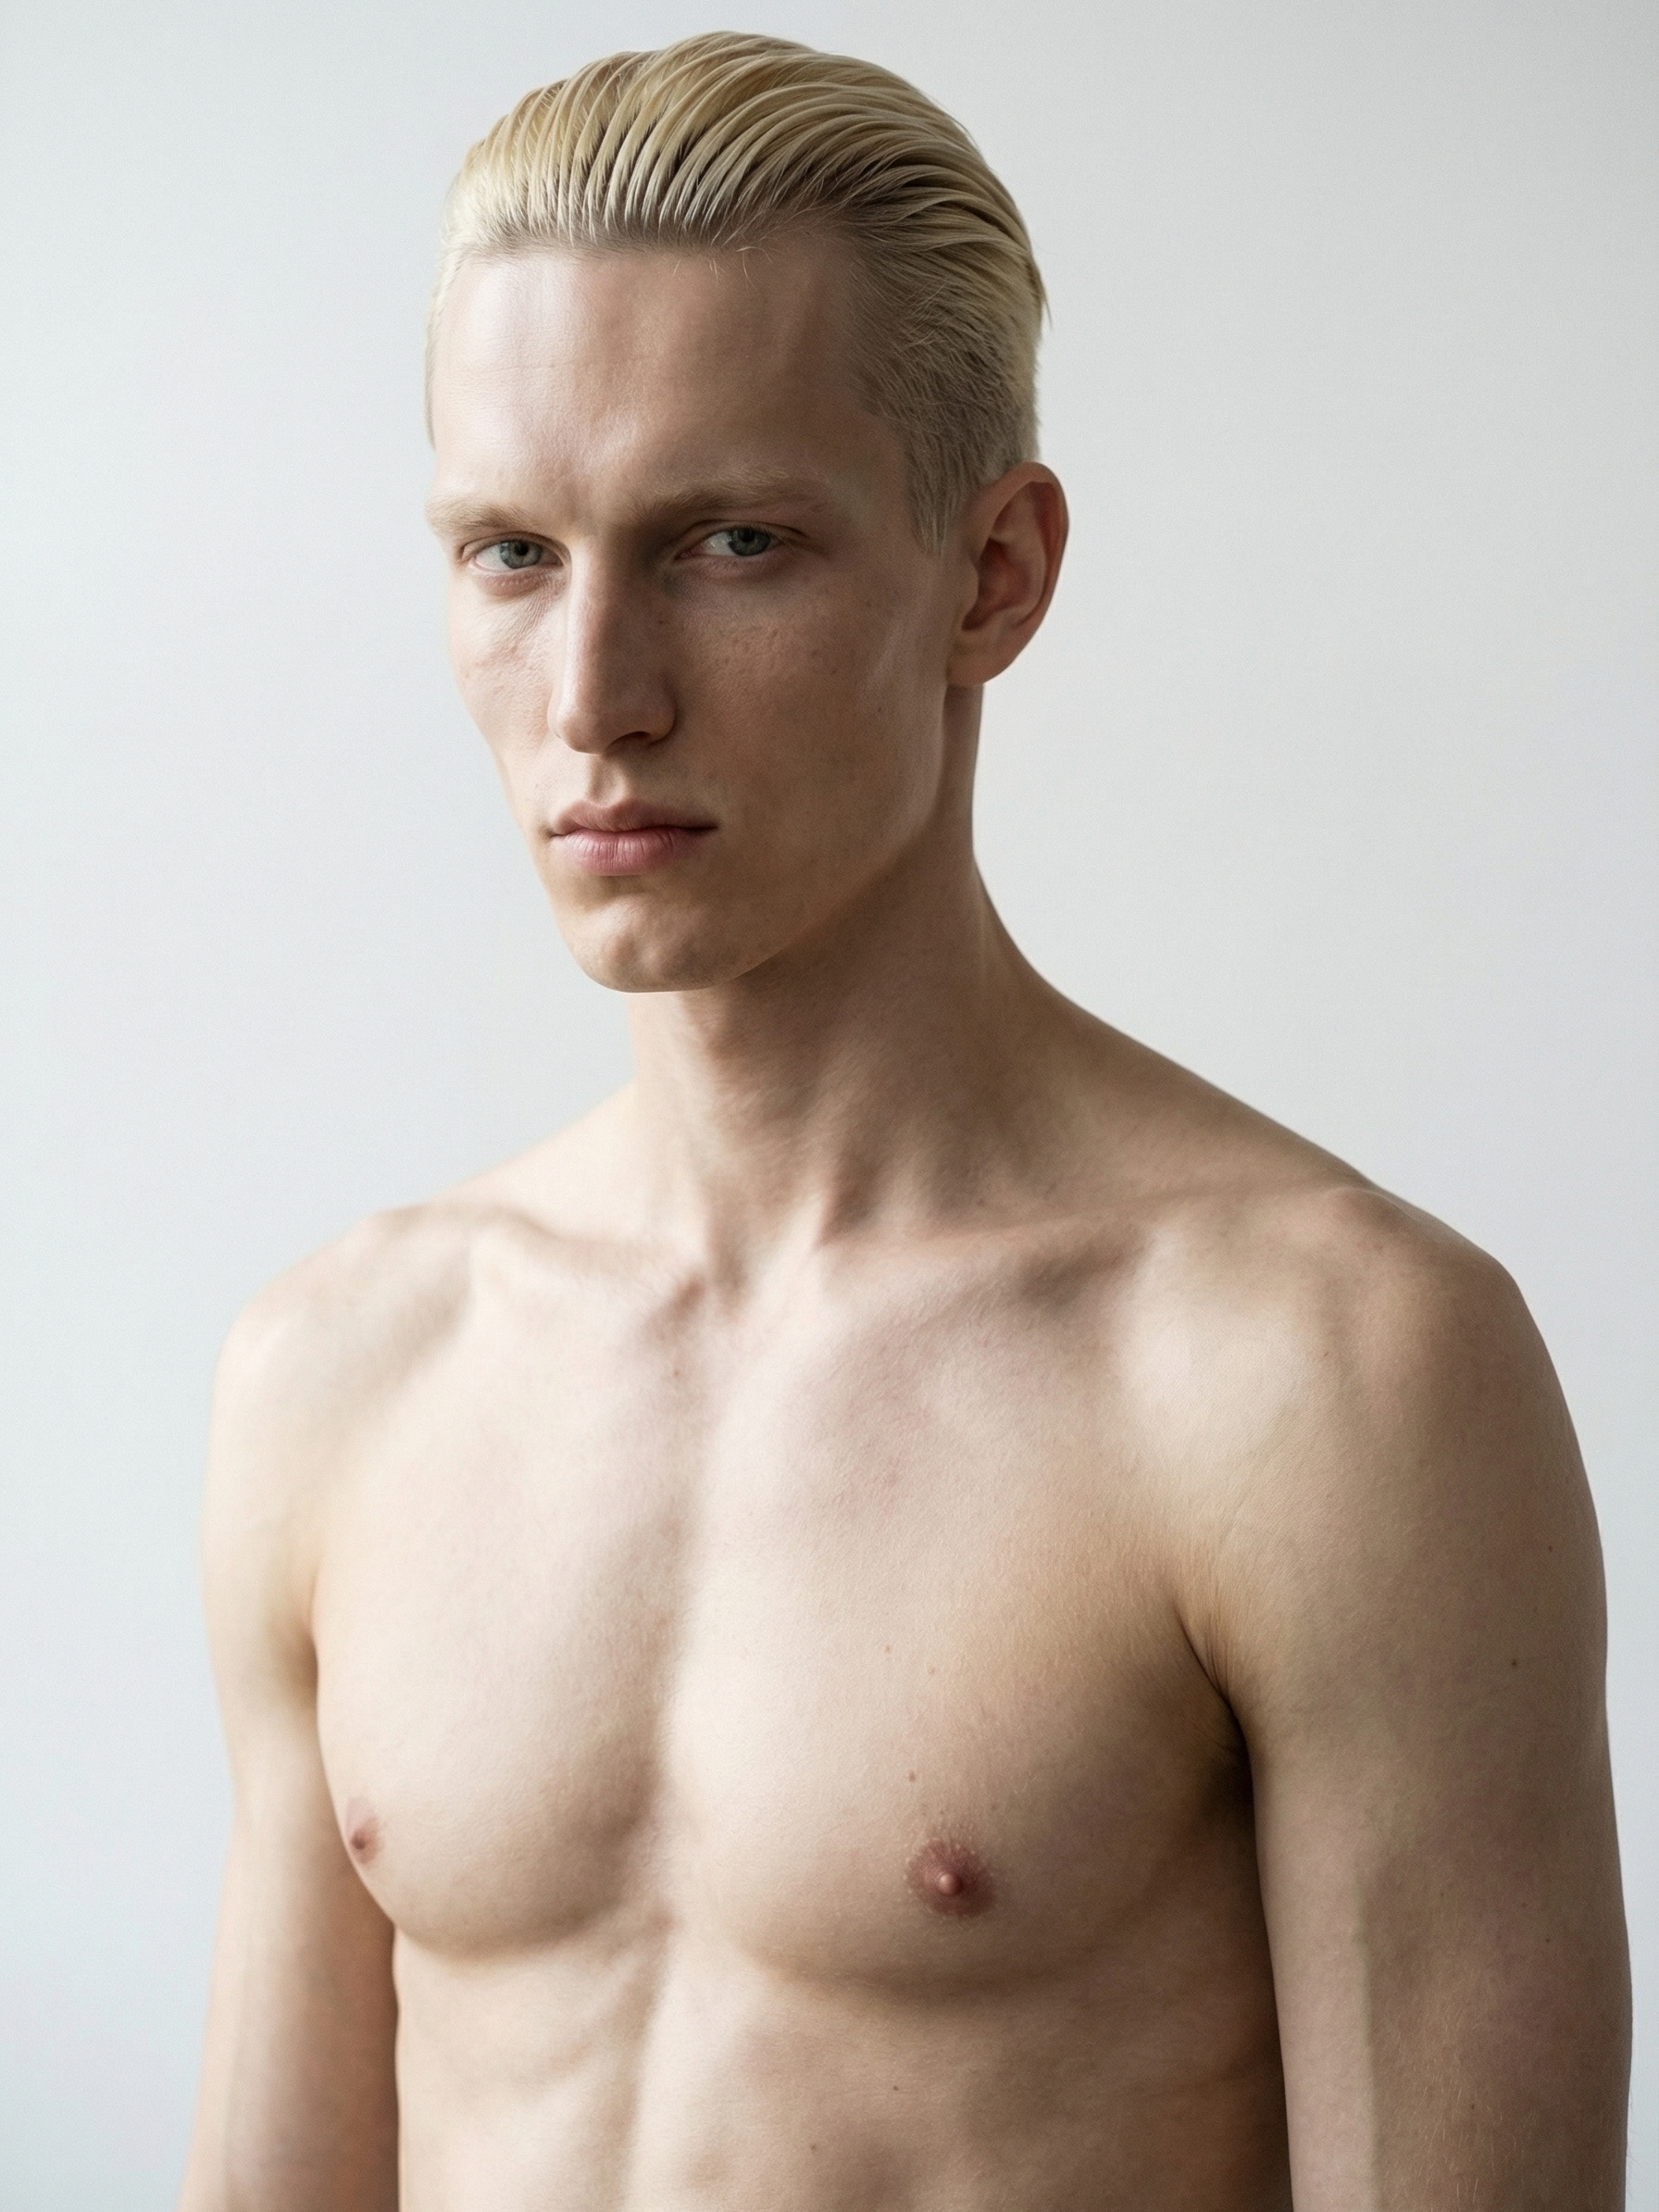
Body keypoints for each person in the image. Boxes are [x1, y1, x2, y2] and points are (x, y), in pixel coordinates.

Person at [177, 31, 1629, 2211]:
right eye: (509, 553)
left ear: (991, 574)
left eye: (729, 541)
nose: (593, 697)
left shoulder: (1320, 1379)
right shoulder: (336, 1376)